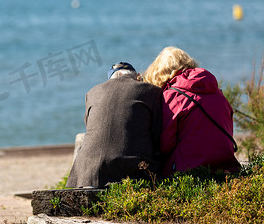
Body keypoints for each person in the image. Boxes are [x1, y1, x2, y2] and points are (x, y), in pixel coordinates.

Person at [143, 46, 240, 177]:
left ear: (160, 73)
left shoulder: (172, 96)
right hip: (226, 165)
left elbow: (165, 145)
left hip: (189, 171)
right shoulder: (217, 92)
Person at [66, 62, 163, 188]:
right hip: (130, 171)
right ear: (138, 77)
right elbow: (158, 134)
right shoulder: (152, 91)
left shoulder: (92, 93)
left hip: (86, 174)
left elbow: (89, 125)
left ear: (110, 79)